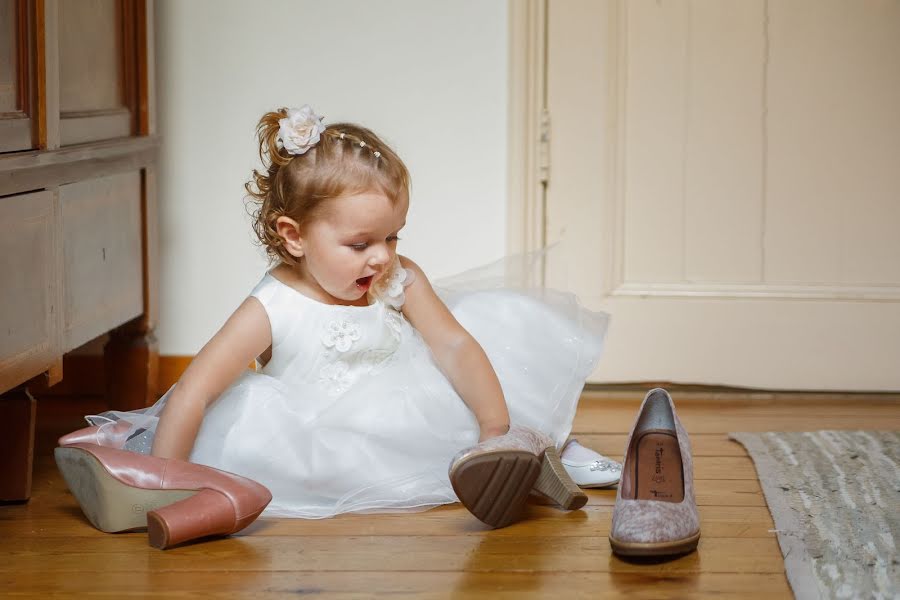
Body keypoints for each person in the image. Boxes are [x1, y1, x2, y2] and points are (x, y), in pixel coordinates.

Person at [63, 105, 619, 522]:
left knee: (492, 351)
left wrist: (492, 428)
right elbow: (196, 391)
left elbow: (454, 347)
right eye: (360, 244)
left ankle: (524, 444)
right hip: (325, 427)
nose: (381, 256)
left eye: (392, 236)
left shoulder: (400, 279)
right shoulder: (272, 306)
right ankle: (139, 460)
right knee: (246, 442)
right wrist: (170, 480)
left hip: (410, 407)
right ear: (295, 236)